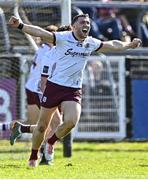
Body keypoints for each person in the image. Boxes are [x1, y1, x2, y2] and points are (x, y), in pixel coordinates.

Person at [8, 13, 141, 167]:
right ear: (74, 26)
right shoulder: (63, 38)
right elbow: (41, 33)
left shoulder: (90, 42)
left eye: (88, 23)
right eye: (83, 22)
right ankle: (33, 156)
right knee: (43, 126)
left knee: (71, 122)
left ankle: (50, 143)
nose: (87, 25)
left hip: (73, 89)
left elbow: (113, 44)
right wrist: (20, 25)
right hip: (54, 87)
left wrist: (129, 45)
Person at [10, 25, 72, 165]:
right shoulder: (48, 52)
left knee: (48, 125)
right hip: (41, 90)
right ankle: (42, 156)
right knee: (54, 125)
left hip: (43, 89)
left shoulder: (49, 50)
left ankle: (24, 131)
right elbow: (45, 77)